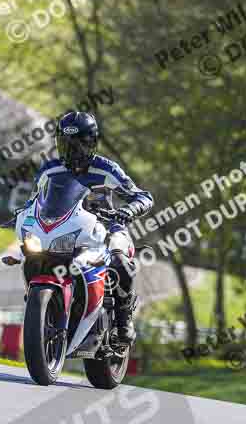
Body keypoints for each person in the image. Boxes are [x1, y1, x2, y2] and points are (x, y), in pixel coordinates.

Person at [29, 111, 153, 344]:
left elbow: (142, 196)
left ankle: (123, 321)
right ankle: (46, 309)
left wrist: (129, 210)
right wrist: (23, 214)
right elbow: (34, 200)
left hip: (107, 228)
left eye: (78, 145)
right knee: (31, 253)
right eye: (65, 144)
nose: (72, 151)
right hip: (66, 229)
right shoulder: (49, 169)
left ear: (92, 142)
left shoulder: (107, 169)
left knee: (121, 262)